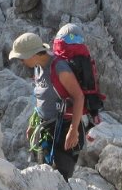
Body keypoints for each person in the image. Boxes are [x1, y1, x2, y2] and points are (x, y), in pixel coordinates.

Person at [9, 31, 86, 180]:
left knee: (61, 179)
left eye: (21, 58)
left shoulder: (60, 68)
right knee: (44, 175)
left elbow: (79, 97)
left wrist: (73, 130)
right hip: (46, 129)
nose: (21, 62)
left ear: (33, 55)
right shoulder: (38, 67)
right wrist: (33, 123)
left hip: (64, 131)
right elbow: (41, 98)